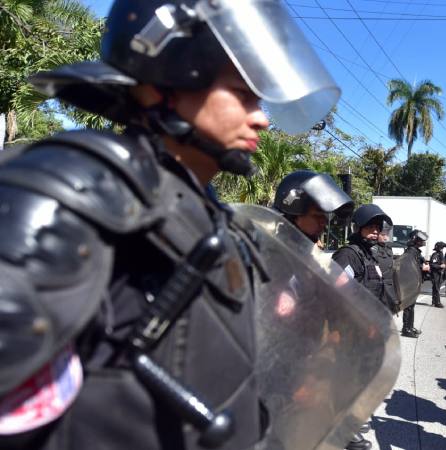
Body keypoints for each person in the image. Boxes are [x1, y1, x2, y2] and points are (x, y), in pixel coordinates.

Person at [0, 0, 342, 449]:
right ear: (170, 81)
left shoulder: (206, 211)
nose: (260, 116)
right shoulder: (78, 187)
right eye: (242, 94)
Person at [331, 204, 394, 450]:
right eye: (370, 228)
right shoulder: (348, 255)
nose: (375, 233)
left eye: (378, 229)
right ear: (358, 228)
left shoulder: (370, 254)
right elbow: (338, 295)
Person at [273, 170, 354, 243]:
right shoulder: (268, 254)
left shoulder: (301, 254)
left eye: (325, 215)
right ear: (292, 217)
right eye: (317, 215)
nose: (324, 222)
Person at [401, 230, 429, 338]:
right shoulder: (411, 251)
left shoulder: (414, 251)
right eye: (420, 240)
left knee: (411, 306)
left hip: (413, 282)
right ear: (415, 240)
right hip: (409, 282)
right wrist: (422, 267)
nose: (423, 242)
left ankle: (410, 326)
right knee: (408, 306)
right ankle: (406, 329)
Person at [372, 223, 401, 314]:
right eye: (383, 235)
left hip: (390, 288)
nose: (386, 237)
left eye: (387, 234)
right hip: (379, 288)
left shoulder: (388, 248)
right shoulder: (373, 249)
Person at [429, 242, 446, 308]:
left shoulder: (441, 254)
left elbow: (443, 262)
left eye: (443, 248)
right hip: (435, 274)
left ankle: (434, 302)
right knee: (436, 288)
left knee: (436, 288)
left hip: (440, 274)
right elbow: (432, 264)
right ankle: (437, 302)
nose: (442, 249)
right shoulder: (435, 254)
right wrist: (440, 266)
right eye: (441, 248)